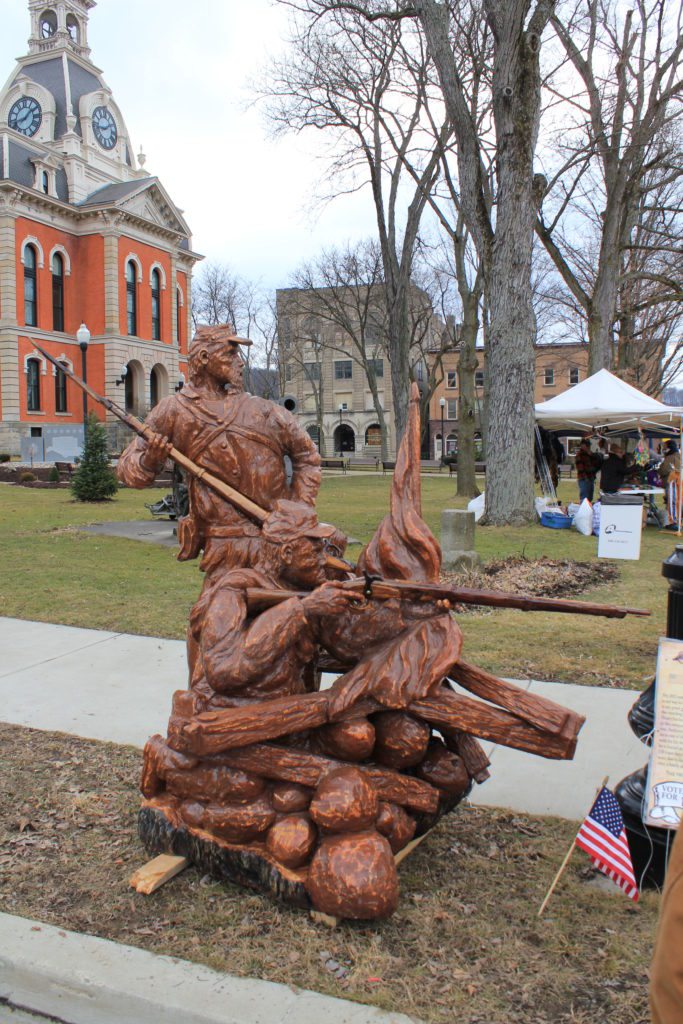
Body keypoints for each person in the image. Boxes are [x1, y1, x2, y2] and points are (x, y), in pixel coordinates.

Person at [117, 324, 322, 573]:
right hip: (223, 546)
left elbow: (307, 456)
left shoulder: (264, 410)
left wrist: (298, 510)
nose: (240, 362)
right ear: (204, 357)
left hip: (276, 541)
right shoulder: (174, 410)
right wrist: (150, 460)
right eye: (230, 354)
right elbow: (128, 470)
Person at [659, 441, 681, 530]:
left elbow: (663, 470)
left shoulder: (670, 457)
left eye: (665, 447)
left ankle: (673, 522)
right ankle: (677, 521)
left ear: (669, 447)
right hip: (678, 483)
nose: (663, 449)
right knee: (677, 502)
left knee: (672, 502)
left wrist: (659, 470)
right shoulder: (679, 455)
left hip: (672, 483)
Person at [574, 438, 602, 502]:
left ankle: (588, 510)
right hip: (584, 479)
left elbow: (596, 464)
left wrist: (592, 455)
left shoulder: (590, 454)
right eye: (586, 445)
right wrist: (586, 478)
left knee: (590, 497)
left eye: (588, 445)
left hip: (591, 478)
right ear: (582, 445)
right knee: (584, 498)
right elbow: (580, 468)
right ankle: (583, 510)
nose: (587, 447)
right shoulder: (579, 455)